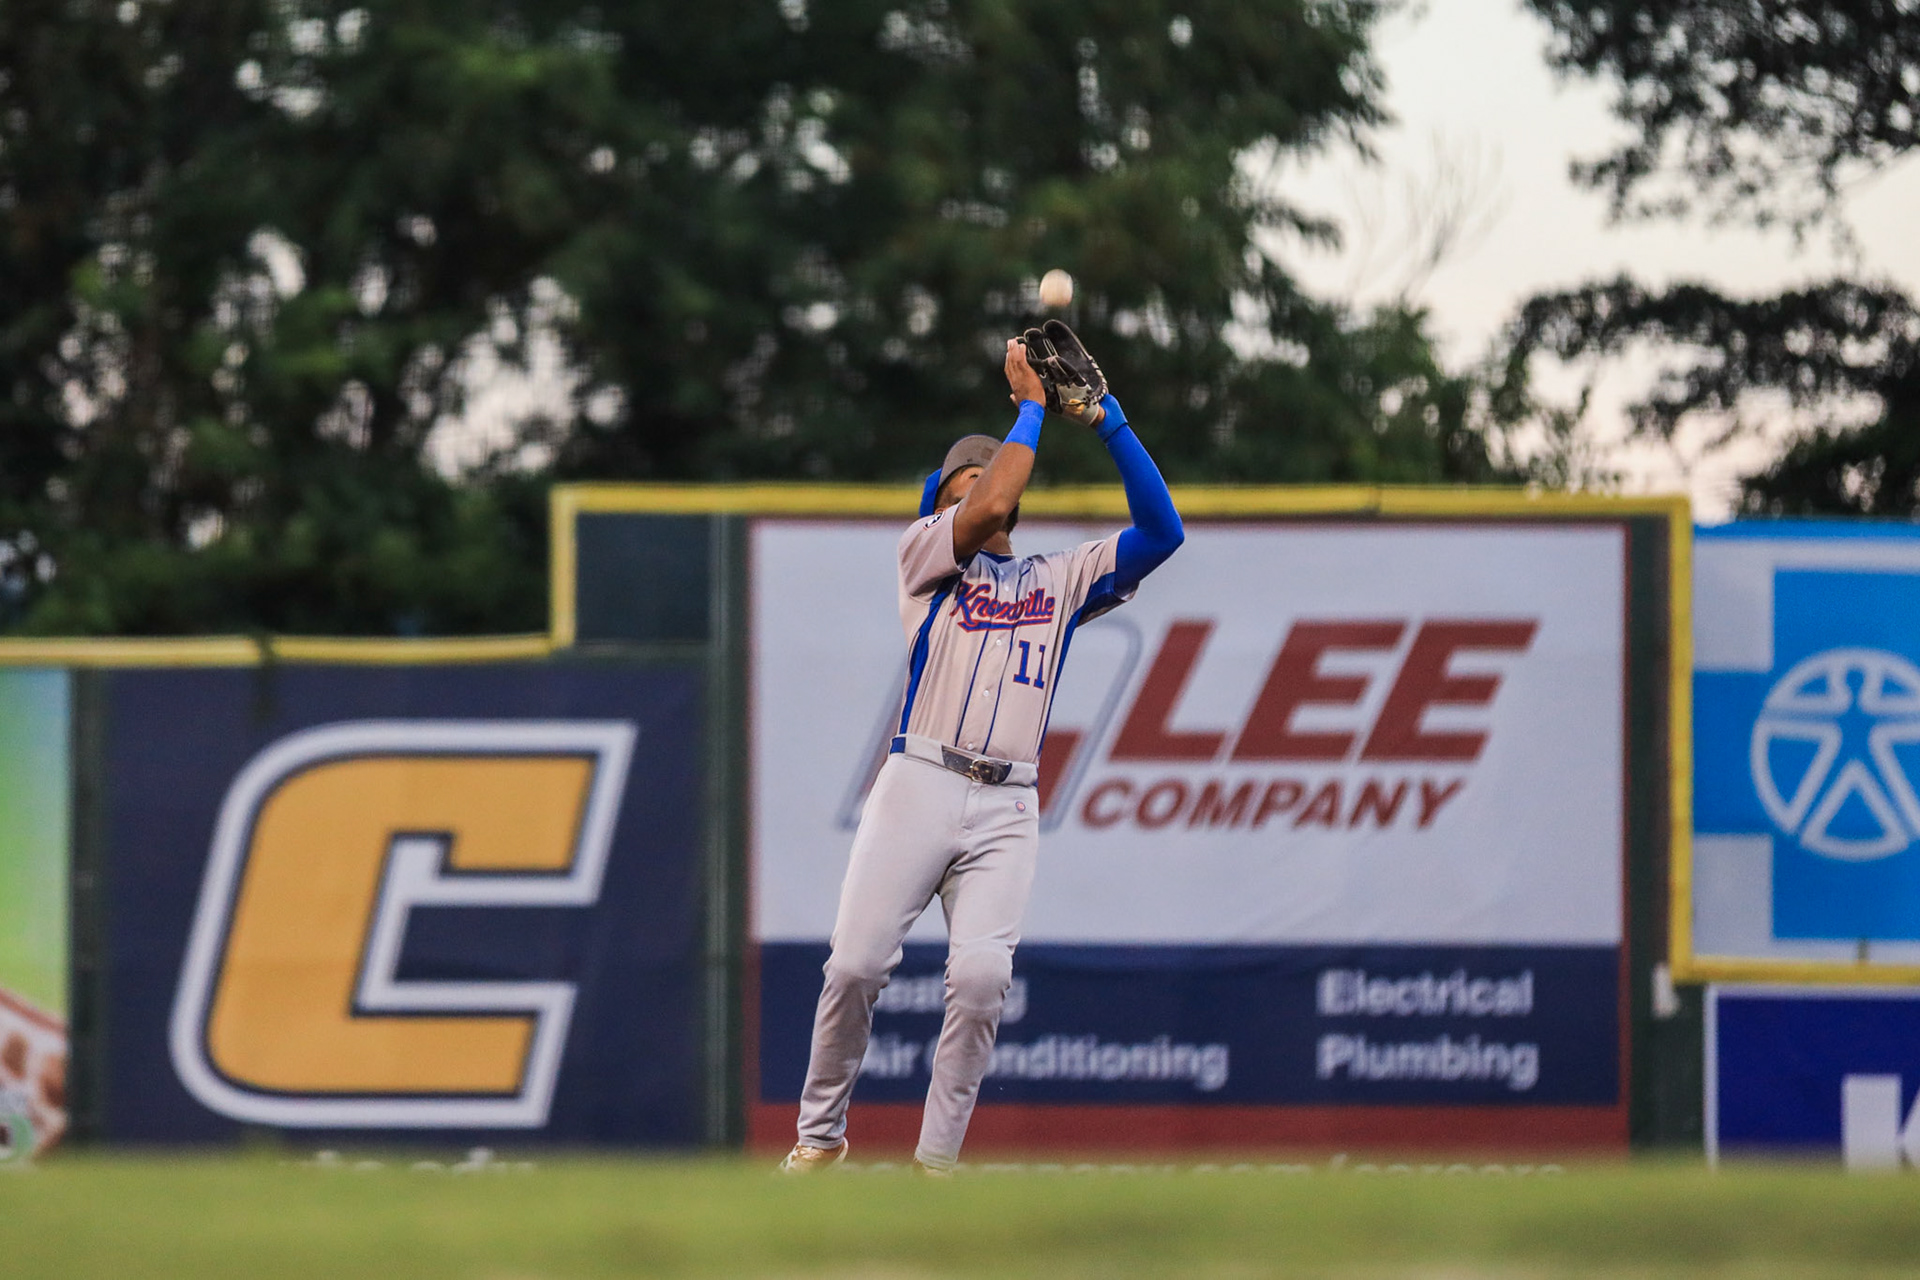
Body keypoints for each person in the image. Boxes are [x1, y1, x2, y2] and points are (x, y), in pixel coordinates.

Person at [781, 334, 1185, 1174]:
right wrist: (1031, 411)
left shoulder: (1057, 580)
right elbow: (992, 509)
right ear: (941, 506)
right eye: (967, 482)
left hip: (1007, 804)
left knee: (978, 984)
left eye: (994, 473)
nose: (990, 488)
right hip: (920, 779)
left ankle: (934, 1169)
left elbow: (1162, 531)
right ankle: (818, 1144)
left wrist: (1107, 417)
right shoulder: (925, 556)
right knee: (854, 966)